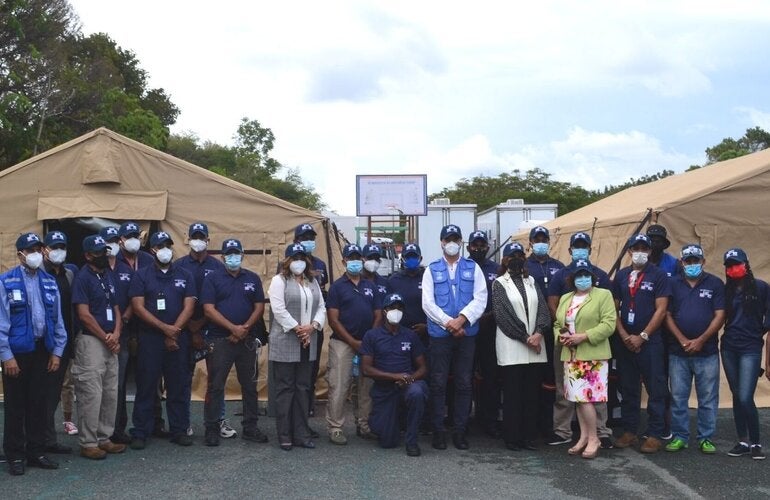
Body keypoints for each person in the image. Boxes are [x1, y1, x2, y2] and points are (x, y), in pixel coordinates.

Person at [0, 232, 68, 476]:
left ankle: (36, 451)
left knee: (39, 404)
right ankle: (15, 455)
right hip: (17, 353)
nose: (36, 255)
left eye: (39, 250)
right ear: (20, 255)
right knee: (16, 406)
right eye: (31, 251)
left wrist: (57, 352)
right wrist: (6, 356)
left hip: (43, 350)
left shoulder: (49, 282)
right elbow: (1, 322)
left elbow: (58, 321)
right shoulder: (5, 282)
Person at [546, 231, 614, 449]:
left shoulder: (603, 291)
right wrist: (563, 336)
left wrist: (583, 337)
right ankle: (573, 434)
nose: (582, 278)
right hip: (570, 352)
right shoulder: (566, 293)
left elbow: (609, 322)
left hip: (592, 351)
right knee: (570, 394)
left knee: (592, 397)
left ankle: (598, 435)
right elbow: (556, 318)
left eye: (586, 275)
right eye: (578, 275)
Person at [422, 224, 487, 450]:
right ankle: (438, 430)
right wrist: (448, 323)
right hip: (440, 335)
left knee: (463, 383)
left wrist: (462, 320)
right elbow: (427, 303)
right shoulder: (431, 269)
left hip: (466, 334)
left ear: (461, 242)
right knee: (438, 383)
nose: (451, 243)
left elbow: (480, 298)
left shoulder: (473, 268)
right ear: (441, 242)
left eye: (455, 239)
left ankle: (460, 431)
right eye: (447, 239)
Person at [128, 231, 195, 450]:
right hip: (151, 338)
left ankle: (179, 429)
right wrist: (164, 329)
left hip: (178, 338)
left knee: (178, 386)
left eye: (168, 245)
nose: (165, 249)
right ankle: (141, 431)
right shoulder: (142, 275)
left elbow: (189, 306)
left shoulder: (185, 274)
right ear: (152, 250)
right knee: (147, 386)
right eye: (161, 246)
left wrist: (174, 330)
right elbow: (138, 306)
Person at [200, 238, 268, 447]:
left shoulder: (253, 278)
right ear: (222, 257)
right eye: (229, 253)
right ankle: (211, 428)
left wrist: (244, 328)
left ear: (242, 254)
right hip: (220, 339)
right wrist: (233, 328)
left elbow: (259, 307)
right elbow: (208, 309)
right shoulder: (212, 278)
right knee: (215, 385)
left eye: (236, 253)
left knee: (249, 385)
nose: (233, 257)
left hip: (246, 339)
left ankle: (250, 427)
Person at [612, 234, 671, 453]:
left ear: (649, 252)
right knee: (628, 387)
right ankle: (629, 430)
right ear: (628, 252)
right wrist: (624, 335)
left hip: (650, 342)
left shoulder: (659, 275)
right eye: (635, 248)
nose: (639, 252)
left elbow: (662, 309)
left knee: (655, 388)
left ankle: (655, 433)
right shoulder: (621, 276)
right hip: (626, 341)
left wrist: (643, 335)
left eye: (643, 248)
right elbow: (613, 307)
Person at [174, 222, 234, 439]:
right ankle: (184, 422)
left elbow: (221, 301)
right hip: (185, 329)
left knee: (216, 380)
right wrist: (190, 327)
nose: (198, 240)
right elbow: (176, 299)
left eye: (202, 237)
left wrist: (201, 325)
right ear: (188, 239)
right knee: (183, 379)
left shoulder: (218, 266)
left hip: (212, 330)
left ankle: (217, 421)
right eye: (194, 236)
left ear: (208, 240)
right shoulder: (179, 265)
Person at [664, 244, 725, 454]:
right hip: (678, 352)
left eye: (696, 261)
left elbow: (720, 315)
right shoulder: (672, 283)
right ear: (681, 263)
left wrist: (701, 339)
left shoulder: (715, 283)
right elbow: (667, 314)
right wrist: (682, 339)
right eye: (688, 261)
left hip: (706, 351)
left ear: (703, 262)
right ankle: (680, 436)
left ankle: (706, 437)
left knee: (707, 398)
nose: (692, 264)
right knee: (678, 397)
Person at [71, 235, 126, 459]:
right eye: (98, 252)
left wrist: (117, 333)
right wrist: (106, 337)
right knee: (91, 393)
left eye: (104, 251)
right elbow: (84, 315)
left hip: (111, 339)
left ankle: (105, 437)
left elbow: (116, 307)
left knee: (110, 392)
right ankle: (88, 442)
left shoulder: (107, 275)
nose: (103, 255)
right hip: (92, 341)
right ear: (87, 255)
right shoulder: (82, 278)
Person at [267, 243, 327, 450]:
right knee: (285, 389)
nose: (299, 262)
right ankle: (285, 435)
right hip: (286, 340)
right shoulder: (279, 280)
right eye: (295, 258)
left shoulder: (312, 281)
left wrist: (313, 326)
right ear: (287, 261)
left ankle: (301, 433)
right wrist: (298, 329)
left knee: (303, 388)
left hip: (308, 341)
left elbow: (321, 307)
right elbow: (278, 309)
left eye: (302, 258)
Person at [492, 242, 549, 451]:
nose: (516, 258)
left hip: (535, 344)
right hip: (514, 345)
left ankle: (528, 436)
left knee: (531, 394)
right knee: (513, 394)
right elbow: (503, 315)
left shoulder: (531, 281)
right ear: (504, 260)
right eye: (512, 255)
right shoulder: (499, 283)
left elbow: (542, 308)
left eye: (519, 255)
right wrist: (527, 337)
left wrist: (539, 332)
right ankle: (512, 437)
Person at [325, 243, 383, 445]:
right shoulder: (337, 287)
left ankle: (363, 424)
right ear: (344, 262)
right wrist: (352, 342)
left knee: (366, 386)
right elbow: (333, 319)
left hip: (367, 344)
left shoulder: (371, 286)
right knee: (339, 386)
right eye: (351, 259)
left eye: (359, 258)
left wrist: (368, 340)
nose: (356, 262)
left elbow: (378, 314)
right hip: (342, 343)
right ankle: (336, 427)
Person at [361, 293, 429, 456]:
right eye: (392, 308)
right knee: (387, 441)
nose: (396, 311)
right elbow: (366, 369)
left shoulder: (410, 335)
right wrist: (395, 377)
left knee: (417, 392)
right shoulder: (372, 336)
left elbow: (423, 368)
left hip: (407, 384)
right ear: (384, 311)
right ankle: (395, 422)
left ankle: (412, 440)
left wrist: (409, 379)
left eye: (399, 308)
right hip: (384, 389)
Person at [721, 248, 770, 460]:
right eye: (730, 265)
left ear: (746, 264)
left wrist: (761, 331)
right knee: (735, 394)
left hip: (750, 347)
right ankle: (742, 440)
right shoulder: (727, 290)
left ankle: (756, 442)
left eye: (737, 263)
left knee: (745, 395)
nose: (734, 268)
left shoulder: (761, 287)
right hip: (729, 345)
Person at [525, 225, 565, 437]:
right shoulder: (524, 266)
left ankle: (550, 423)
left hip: (554, 331)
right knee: (533, 377)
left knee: (553, 377)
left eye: (544, 239)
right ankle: (532, 422)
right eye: (536, 239)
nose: (541, 242)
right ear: (530, 242)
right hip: (531, 332)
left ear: (549, 242)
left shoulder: (559, 266)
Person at [100, 225, 135, 445]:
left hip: (121, 335)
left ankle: (118, 428)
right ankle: (101, 429)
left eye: (114, 241)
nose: (111, 245)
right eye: (107, 241)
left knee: (119, 385)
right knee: (99, 385)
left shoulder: (126, 269)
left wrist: (123, 322)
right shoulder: (95, 269)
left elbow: (135, 299)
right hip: (99, 336)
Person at [42, 230, 76, 453]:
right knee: (39, 393)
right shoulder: (39, 273)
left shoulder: (70, 274)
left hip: (65, 341)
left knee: (54, 392)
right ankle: (35, 439)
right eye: (54, 247)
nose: (58, 251)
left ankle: (48, 440)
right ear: (45, 249)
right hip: (42, 343)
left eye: (62, 247)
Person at [467, 230, 503, 438]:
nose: (478, 248)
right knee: (465, 376)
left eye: (482, 245)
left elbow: (502, 298)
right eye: (475, 244)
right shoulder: (463, 267)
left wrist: (488, 316)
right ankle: (461, 420)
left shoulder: (496, 269)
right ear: (468, 247)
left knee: (491, 378)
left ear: (487, 247)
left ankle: (489, 420)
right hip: (467, 329)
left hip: (490, 330)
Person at [293, 223, 329, 416]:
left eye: (311, 238)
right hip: (294, 325)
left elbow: (324, 294)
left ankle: (308, 404)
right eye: (304, 237)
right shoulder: (288, 263)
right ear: (296, 240)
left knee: (312, 365)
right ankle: (294, 405)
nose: (309, 241)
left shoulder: (320, 265)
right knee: (293, 366)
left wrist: (316, 324)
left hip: (315, 324)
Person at [386, 242, 427, 345]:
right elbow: (386, 308)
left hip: (425, 334)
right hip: (400, 333)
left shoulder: (428, 278)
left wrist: (427, 327)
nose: (411, 259)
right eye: (408, 257)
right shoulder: (393, 280)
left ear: (420, 258)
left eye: (414, 256)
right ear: (402, 258)